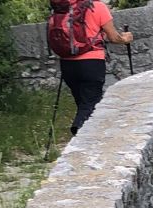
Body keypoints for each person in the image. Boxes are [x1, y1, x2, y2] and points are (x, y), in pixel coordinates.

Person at [59, 0, 133, 137]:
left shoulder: (63, 8)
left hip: (67, 63)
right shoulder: (97, 7)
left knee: (82, 102)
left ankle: (88, 134)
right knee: (90, 102)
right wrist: (125, 39)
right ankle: (79, 129)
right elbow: (114, 37)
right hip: (91, 62)